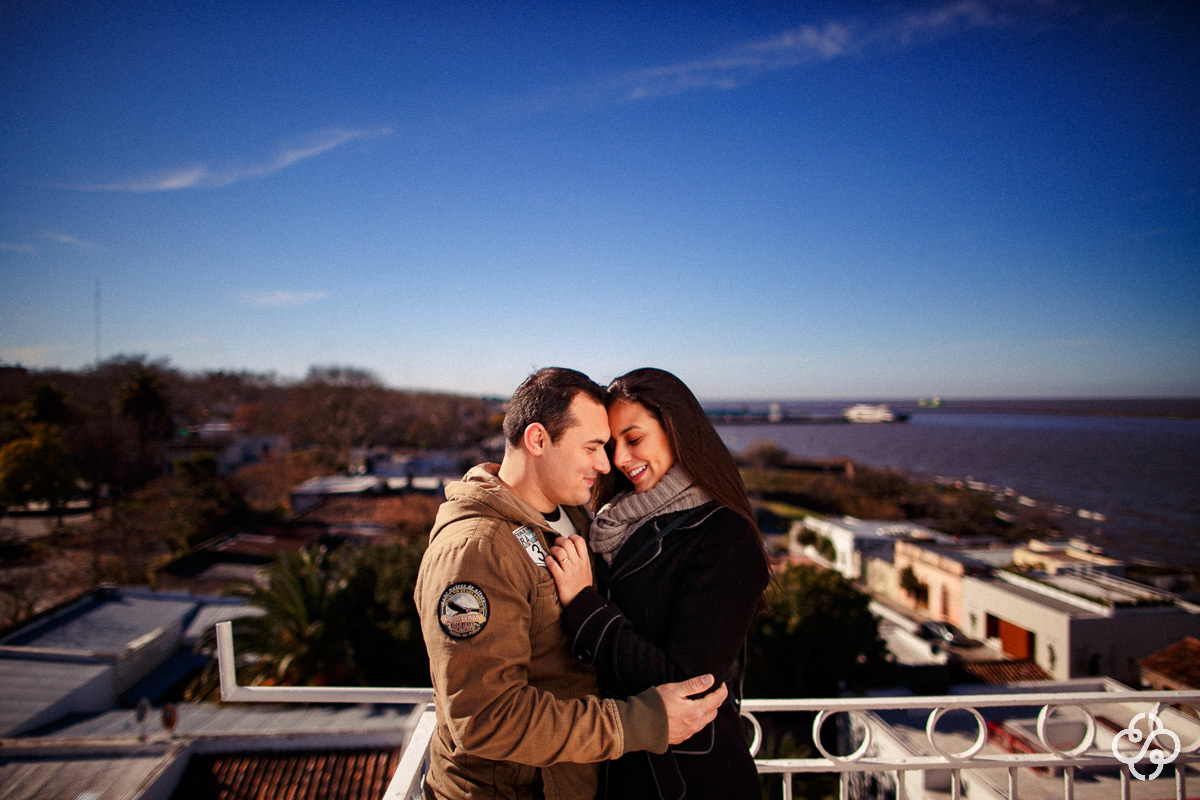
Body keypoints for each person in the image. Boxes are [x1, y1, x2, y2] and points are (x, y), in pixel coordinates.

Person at [415, 367, 728, 800]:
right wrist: (640, 722)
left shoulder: (575, 519)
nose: (606, 464)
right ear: (538, 440)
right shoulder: (477, 551)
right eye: (593, 447)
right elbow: (486, 718)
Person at [549, 367, 771, 800]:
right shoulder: (620, 520)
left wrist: (584, 605)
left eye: (634, 439)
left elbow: (688, 684)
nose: (621, 460)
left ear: (676, 429)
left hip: (686, 782)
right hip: (611, 766)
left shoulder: (725, 535)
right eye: (613, 446)